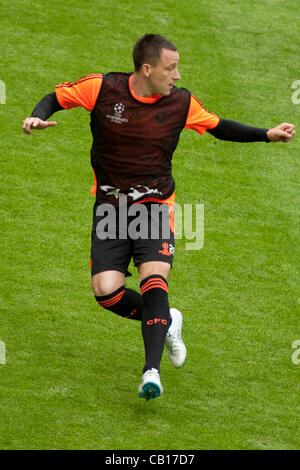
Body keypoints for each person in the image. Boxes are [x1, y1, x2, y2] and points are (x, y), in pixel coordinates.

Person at [22, 34, 295, 401]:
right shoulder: (102, 88)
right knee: (106, 293)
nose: (178, 76)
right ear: (147, 69)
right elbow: (56, 97)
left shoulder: (181, 103)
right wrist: (37, 117)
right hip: (111, 207)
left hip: (155, 205)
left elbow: (218, 126)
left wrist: (267, 135)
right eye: (171, 68)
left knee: (154, 281)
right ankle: (168, 320)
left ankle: (151, 371)